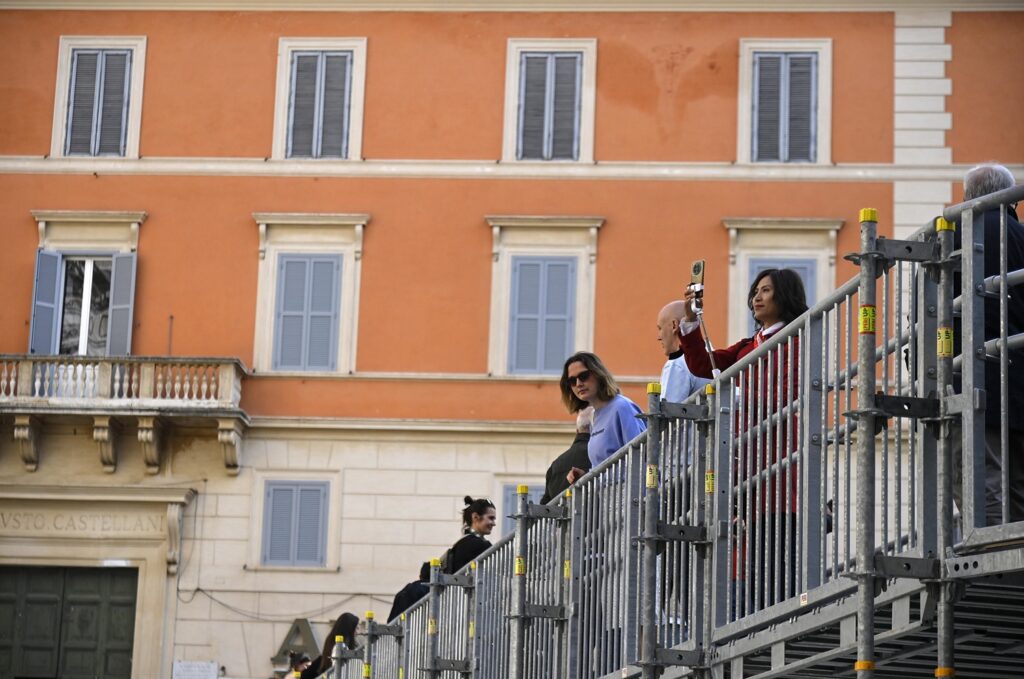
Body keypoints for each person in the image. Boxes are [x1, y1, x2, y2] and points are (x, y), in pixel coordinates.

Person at [679, 268, 807, 611]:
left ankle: (782, 615)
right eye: (756, 290)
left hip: (782, 457)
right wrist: (691, 321)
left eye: (766, 290)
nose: (757, 296)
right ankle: (763, 616)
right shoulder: (750, 345)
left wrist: (743, 400)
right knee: (757, 553)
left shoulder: (797, 338)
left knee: (780, 546)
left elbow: (787, 393)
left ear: (784, 297)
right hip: (752, 460)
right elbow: (704, 364)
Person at [952, 163, 1024, 525]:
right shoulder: (1020, 234)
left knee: (980, 480)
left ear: (968, 196)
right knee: (1018, 487)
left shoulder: (957, 235)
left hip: (970, 380)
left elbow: (934, 312)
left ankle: (992, 568)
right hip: (1019, 385)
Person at [559, 351, 647, 483]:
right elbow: (605, 467)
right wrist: (586, 477)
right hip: (610, 499)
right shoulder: (595, 416)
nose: (578, 384)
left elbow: (641, 455)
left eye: (583, 376)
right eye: (572, 381)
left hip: (631, 497)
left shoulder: (621, 407)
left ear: (598, 374)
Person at [656, 300, 712, 403]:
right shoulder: (711, 355)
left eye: (660, 328)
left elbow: (668, 414)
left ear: (674, 325)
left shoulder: (677, 364)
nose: (658, 337)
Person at [540, 407, 593, 505]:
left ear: (577, 431)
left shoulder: (555, 464)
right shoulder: (601, 456)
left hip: (562, 519)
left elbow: (545, 504)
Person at [443, 496, 496, 574]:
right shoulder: (478, 544)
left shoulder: (461, 543)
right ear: (475, 517)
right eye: (491, 518)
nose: (494, 523)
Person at [300, 612, 359, 679]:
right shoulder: (344, 646)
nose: (357, 632)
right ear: (350, 629)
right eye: (356, 629)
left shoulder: (331, 640)